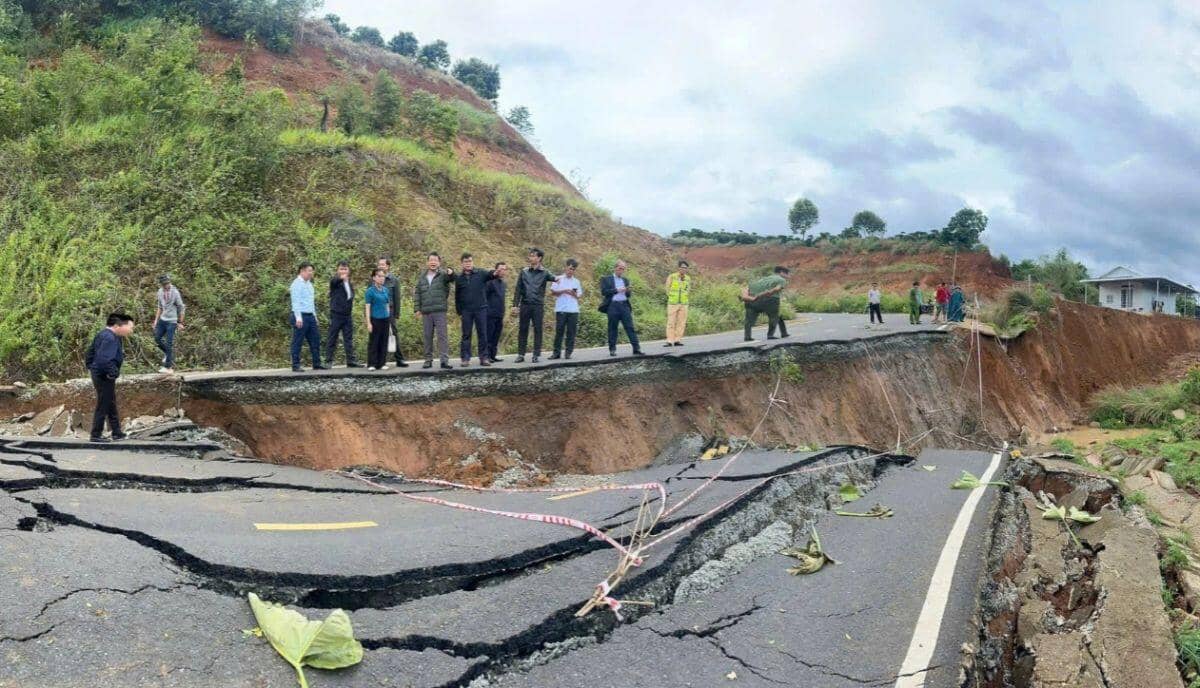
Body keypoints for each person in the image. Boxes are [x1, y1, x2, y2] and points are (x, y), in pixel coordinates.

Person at [86, 313, 135, 442]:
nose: (131, 330)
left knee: (110, 402)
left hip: (99, 373)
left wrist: (91, 367)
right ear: (118, 325)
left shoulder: (104, 334)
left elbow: (90, 354)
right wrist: (113, 373)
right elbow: (104, 359)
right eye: (130, 327)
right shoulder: (110, 338)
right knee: (103, 404)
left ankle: (116, 432)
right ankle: (95, 434)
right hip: (104, 375)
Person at [454, 253, 498, 367]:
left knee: (482, 334)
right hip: (466, 310)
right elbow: (457, 296)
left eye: (469, 261)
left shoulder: (481, 273)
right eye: (465, 262)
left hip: (481, 309)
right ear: (462, 263)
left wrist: (495, 272)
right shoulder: (459, 278)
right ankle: (465, 358)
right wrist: (459, 310)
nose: (468, 263)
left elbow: (491, 275)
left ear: (473, 262)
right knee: (466, 335)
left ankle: (484, 358)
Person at [415, 253, 455, 369]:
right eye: (431, 260)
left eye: (435, 260)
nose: (433, 262)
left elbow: (451, 278)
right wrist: (417, 309)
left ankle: (444, 361)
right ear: (427, 262)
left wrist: (451, 272)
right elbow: (418, 293)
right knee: (427, 336)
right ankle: (428, 360)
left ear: (439, 263)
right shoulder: (422, 277)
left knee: (442, 336)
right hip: (426, 311)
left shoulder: (443, 275)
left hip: (439, 310)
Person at [512, 248, 552, 363]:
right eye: (530, 255)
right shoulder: (524, 271)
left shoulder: (545, 272)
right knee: (523, 329)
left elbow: (556, 279)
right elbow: (518, 289)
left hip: (538, 305)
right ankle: (521, 354)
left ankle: (536, 354)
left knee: (538, 329)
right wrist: (515, 304)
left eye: (533, 255)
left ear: (539, 258)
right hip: (525, 304)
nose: (531, 257)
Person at [599, 259, 645, 356]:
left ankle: (636, 348)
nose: (621, 271)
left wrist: (627, 291)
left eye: (623, 269)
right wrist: (617, 290)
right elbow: (604, 292)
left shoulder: (625, 280)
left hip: (624, 305)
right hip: (613, 305)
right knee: (612, 328)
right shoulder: (607, 279)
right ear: (615, 268)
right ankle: (612, 350)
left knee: (630, 327)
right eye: (620, 268)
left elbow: (628, 295)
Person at [290, 263, 327, 372]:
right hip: (300, 316)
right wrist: (298, 317)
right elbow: (295, 302)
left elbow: (311, 302)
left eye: (312, 271)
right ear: (302, 271)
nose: (311, 273)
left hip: (310, 316)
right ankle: (295, 365)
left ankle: (317, 363)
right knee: (298, 341)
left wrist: (315, 316)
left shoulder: (309, 284)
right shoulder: (296, 284)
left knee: (315, 340)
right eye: (309, 271)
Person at [325, 261, 361, 368]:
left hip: (347, 315)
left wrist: (346, 280)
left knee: (348, 338)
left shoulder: (349, 283)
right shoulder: (335, 282)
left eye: (345, 269)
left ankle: (351, 361)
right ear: (337, 270)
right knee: (333, 337)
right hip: (336, 314)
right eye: (341, 269)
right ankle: (328, 361)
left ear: (349, 271)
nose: (343, 271)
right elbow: (334, 281)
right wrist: (341, 278)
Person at [376, 257, 409, 368]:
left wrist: (397, 313)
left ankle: (399, 359)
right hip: (377, 311)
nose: (381, 266)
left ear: (388, 266)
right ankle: (380, 361)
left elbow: (397, 298)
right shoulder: (374, 279)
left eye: (383, 264)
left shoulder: (394, 280)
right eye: (379, 264)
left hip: (389, 311)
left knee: (393, 335)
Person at [742, 266, 791, 341]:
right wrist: (768, 293)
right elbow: (777, 289)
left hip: (752, 300)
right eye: (787, 274)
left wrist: (752, 298)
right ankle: (770, 335)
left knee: (749, 320)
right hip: (770, 299)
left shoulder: (762, 279)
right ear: (781, 272)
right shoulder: (781, 280)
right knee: (773, 317)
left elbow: (748, 288)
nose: (788, 276)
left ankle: (747, 336)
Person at [549, 259, 583, 360]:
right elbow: (553, 292)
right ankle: (556, 353)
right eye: (570, 268)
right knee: (559, 331)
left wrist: (573, 293)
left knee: (571, 332)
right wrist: (564, 290)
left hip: (573, 310)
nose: (571, 271)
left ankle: (568, 353)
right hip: (561, 309)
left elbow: (579, 296)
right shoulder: (558, 278)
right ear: (566, 267)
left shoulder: (577, 281)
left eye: (573, 269)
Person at [152, 274, 185, 374]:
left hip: (172, 321)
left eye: (167, 283)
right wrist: (156, 321)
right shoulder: (160, 291)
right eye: (164, 284)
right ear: (161, 284)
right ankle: (168, 353)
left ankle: (168, 367)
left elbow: (181, 307)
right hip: (163, 319)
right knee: (157, 338)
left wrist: (180, 322)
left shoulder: (175, 292)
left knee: (169, 342)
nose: (166, 285)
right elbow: (160, 307)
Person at [363, 268, 392, 370]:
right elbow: (367, 308)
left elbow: (387, 305)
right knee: (374, 342)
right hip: (375, 319)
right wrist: (369, 323)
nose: (381, 278)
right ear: (374, 278)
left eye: (383, 276)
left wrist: (389, 320)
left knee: (384, 341)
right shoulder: (370, 291)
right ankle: (372, 364)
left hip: (385, 319)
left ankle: (382, 363)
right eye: (379, 276)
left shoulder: (386, 290)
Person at [484, 262, 508, 363]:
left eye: (505, 269)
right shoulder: (490, 282)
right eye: (501, 269)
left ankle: (493, 355)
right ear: (496, 270)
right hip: (490, 314)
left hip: (500, 314)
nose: (503, 271)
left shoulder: (503, 284)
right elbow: (484, 296)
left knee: (496, 336)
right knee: (489, 336)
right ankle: (487, 356)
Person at [664, 260, 691, 346]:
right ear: (678, 268)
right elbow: (667, 288)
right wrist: (671, 297)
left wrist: (685, 298)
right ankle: (669, 340)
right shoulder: (672, 276)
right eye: (682, 267)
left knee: (681, 322)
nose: (684, 269)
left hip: (684, 303)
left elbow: (688, 289)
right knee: (671, 322)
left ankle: (677, 340)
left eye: (685, 268)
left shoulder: (688, 278)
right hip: (673, 303)